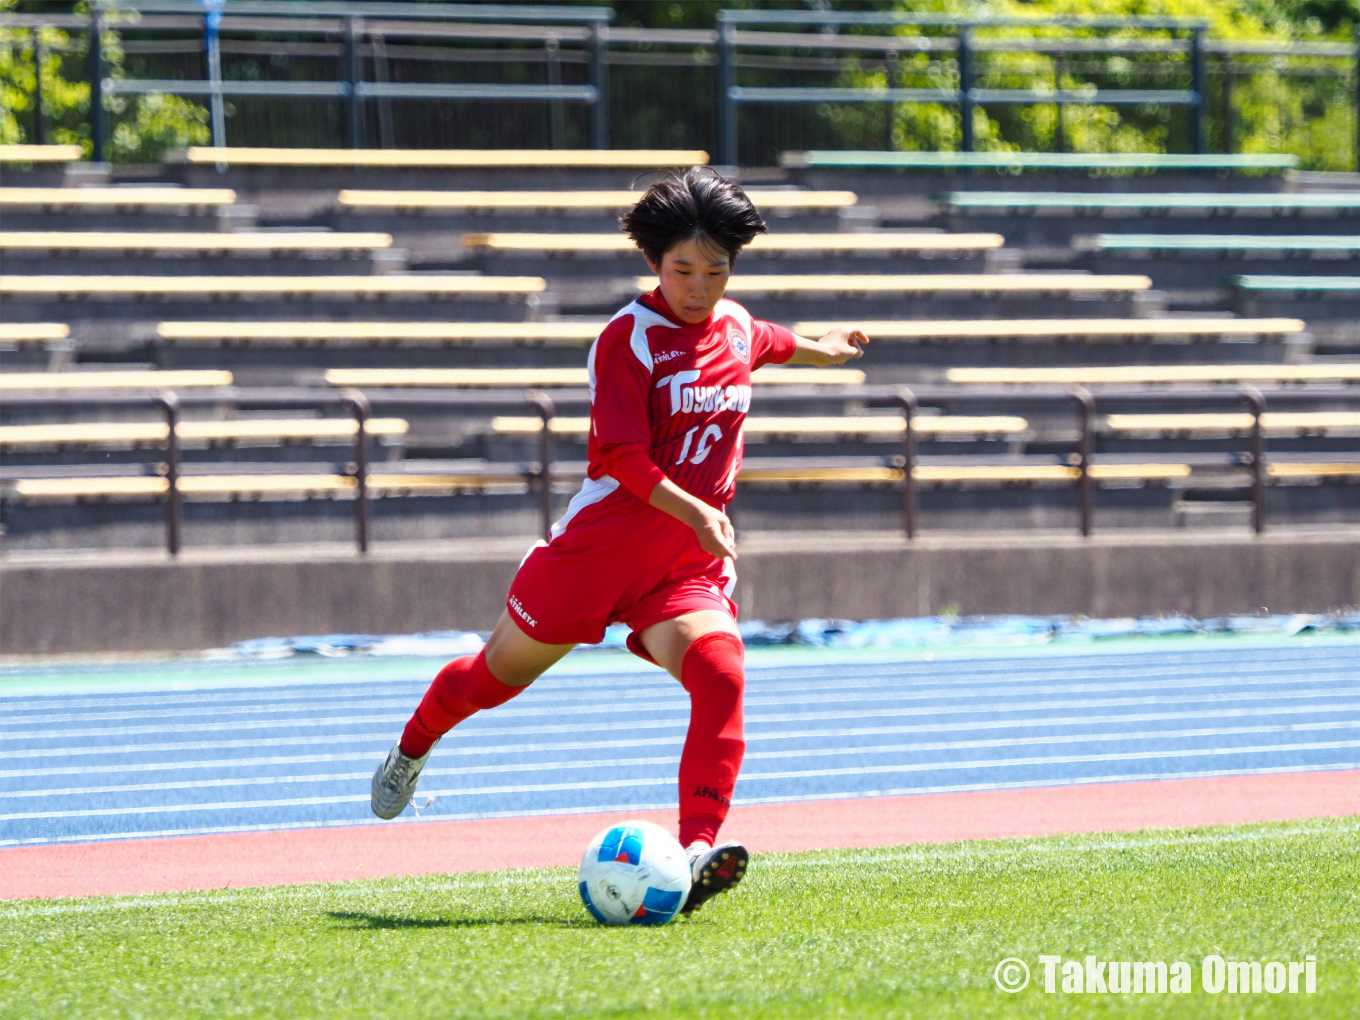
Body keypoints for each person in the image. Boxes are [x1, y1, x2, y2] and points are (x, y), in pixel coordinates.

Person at [371, 167, 868, 916]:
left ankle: (699, 850)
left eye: (716, 271)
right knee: (489, 683)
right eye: (683, 270)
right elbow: (621, 460)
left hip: (680, 570)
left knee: (723, 674)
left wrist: (826, 350)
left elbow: (771, 342)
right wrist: (696, 509)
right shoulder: (627, 341)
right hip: (596, 557)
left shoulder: (733, 325)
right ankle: (412, 746)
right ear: (653, 263)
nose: (698, 287)